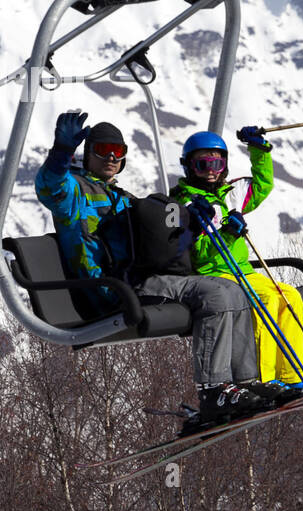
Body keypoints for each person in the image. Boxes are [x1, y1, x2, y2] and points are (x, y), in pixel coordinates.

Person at [35, 110, 279, 430]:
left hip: (145, 280)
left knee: (234, 289)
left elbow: (163, 240)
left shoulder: (124, 198)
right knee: (216, 294)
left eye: (118, 152)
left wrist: (192, 219)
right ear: (87, 153)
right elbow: (50, 187)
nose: (110, 157)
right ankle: (213, 390)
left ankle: (243, 383)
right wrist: (61, 152)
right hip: (111, 288)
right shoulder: (74, 193)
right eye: (102, 150)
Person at [170, 127, 303, 396]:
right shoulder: (185, 203)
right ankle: (263, 378)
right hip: (214, 275)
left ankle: (293, 376)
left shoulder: (228, 194)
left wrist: (259, 150)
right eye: (202, 164)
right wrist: (226, 232)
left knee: (289, 295)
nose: (211, 170)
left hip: (243, 271)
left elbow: (261, 185)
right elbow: (197, 254)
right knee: (266, 301)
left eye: (217, 163)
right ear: (189, 166)